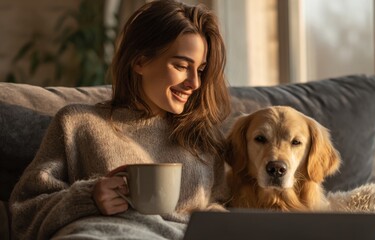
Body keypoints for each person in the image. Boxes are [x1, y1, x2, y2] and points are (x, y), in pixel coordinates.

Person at [9, 0, 231, 239]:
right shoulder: (78, 123)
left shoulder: (205, 142)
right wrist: (88, 197)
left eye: (199, 70)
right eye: (181, 65)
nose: (194, 83)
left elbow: (228, 220)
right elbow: (23, 214)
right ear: (139, 61)